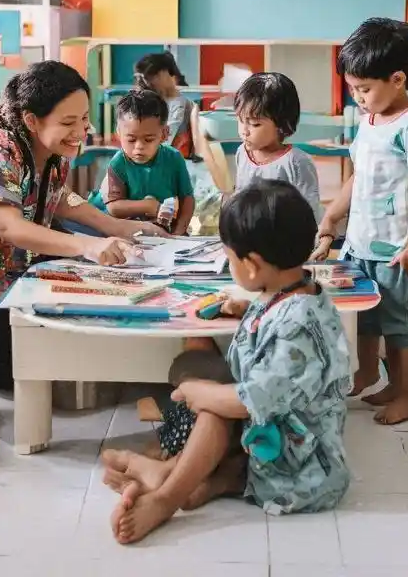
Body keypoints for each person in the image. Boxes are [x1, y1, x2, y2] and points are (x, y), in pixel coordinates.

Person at [103, 180, 351, 544]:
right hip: (279, 439)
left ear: (252, 266)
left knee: (216, 407)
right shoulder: (295, 291)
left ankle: (166, 497)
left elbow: (249, 400)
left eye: (229, 257)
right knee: (205, 372)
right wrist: (248, 309)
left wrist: (198, 392)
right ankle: (191, 479)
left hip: (301, 475)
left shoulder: (297, 327)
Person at [0, 61, 168, 389]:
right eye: (69, 122)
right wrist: (89, 245)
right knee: (39, 370)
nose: (81, 131)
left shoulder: (50, 151)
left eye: (85, 119)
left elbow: (57, 197)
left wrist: (116, 227)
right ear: (31, 120)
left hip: (21, 275)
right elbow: (11, 227)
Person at [312, 18, 408, 426]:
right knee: (364, 313)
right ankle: (369, 372)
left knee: (400, 320)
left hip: (397, 246)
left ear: (398, 79)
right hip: (361, 241)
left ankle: (407, 393)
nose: (357, 98)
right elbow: (360, 176)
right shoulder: (370, 120)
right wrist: (332, 216)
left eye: (363, 89)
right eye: (352, 89)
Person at [89, 89, 195, 234]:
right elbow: (113, 207)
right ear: (119, 133)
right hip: (123, 229)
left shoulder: (174, 158)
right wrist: (147, 206)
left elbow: (187, 199)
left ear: (164, 133)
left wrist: (178, 233)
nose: (139, 147)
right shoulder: (118, 163)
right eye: (131, 139)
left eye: (148, 139)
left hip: (161, 228)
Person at [234, 72, 322, 220]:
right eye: (241, 120)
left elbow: (309, 211)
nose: (244, 131)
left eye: (255, 124)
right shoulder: (242, 153)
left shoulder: (296, 162)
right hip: (248, 238)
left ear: (281, 124)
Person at [134, 52, 194, 157]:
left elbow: (165, 142)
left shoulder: (179, 103)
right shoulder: (152, 100)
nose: (148, 83)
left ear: (163, 74)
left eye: (151, 77)